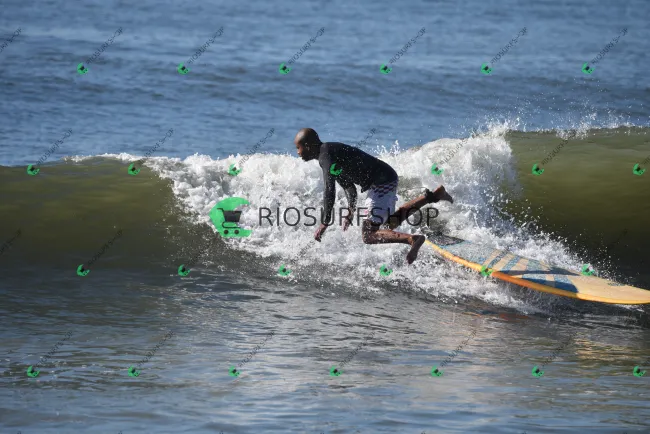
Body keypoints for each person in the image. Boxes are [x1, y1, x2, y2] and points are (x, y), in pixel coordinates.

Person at [293, 128, 454, 264]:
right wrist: (351, 210)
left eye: (298, 148)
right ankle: (432, 197)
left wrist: (324, 222)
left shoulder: (326, 155)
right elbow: (348, 186)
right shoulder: (329, 153)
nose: (298, 152)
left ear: (307, 146)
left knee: (368, 235)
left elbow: (329, 189)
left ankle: (413, 239)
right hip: (384, 178)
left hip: (381, 181)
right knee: (388, 226)